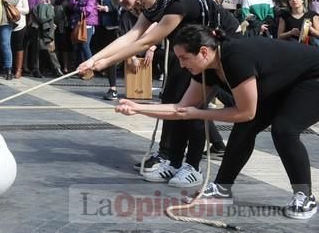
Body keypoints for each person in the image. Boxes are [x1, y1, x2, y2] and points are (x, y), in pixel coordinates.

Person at [117, 25, 319, 220]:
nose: (181, 65)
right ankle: (222, 189)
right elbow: (181, 108)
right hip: (284, 81)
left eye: (184, 58)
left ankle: (305, 196)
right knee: (245, 129)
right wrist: (137, 108)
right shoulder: (208, 68)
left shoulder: (235, 59)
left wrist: (199, 113)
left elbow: (245, 113)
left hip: (313, 77)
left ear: (203, 52)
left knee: (285, 130)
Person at [78, 0, 234, 189]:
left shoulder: (178, 2)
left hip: (217, 49)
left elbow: (145, 41)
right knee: (172, 100)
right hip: (190, 51)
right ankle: (173, 160)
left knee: (193, 107)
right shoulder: (155, 3)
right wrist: (93, 60)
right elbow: (133, 34)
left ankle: (193, 167)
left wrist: (105, 62)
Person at [69, 0, 98, 64]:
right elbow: (70, 5)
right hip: (77, 22)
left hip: (87, 23)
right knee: (78, 47)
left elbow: (88, 10)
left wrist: (77, 7)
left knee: (85, 45)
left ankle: (90, 67)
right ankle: (80, 69)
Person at [8, 0, 30, 79]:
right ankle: (9, 69)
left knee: (19, 47)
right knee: (9, 47)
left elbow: (27, 10)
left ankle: (18, 69)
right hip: (8, 23)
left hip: (20, 24)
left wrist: (15, 9)